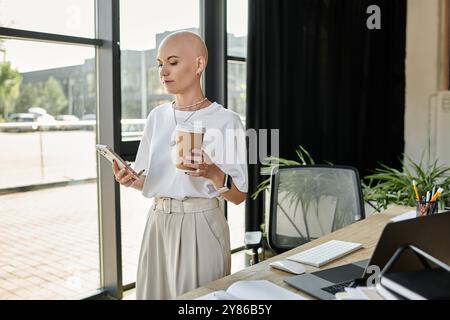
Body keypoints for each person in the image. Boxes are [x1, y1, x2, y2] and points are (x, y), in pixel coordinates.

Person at [112, 31, 248, 299]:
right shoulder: (156, 117)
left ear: (199, 65)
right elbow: (149, 180)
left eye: (172, 62)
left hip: (202, 224)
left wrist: (213, 173)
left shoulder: (226, 121)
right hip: (158, 222)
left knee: (197, 301)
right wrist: (130, 179)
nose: (163, 71)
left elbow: (239, 196)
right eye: (160, 63)